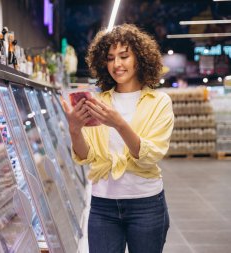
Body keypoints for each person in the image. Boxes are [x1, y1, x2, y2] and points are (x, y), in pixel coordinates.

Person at [62, 24, 174, 253]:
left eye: (124, 56)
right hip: (103, 205)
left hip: (146, 203)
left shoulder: (159, 102)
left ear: (140, 59)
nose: (117, 64)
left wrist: (120, 124)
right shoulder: (97, 102)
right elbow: (87, 156)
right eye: (110, 58)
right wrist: (74, 129)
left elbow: (151, 155)